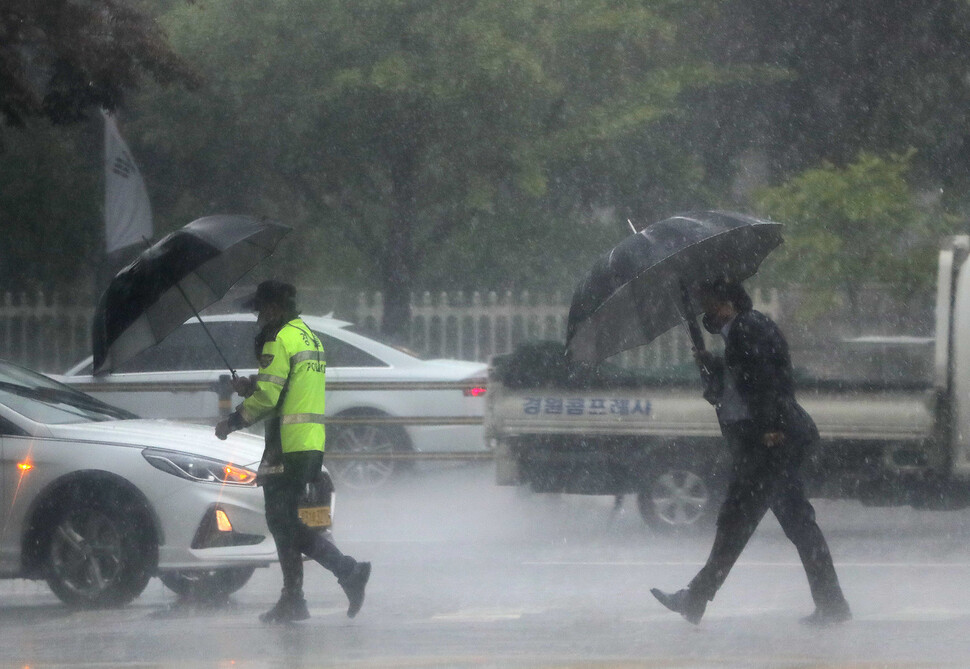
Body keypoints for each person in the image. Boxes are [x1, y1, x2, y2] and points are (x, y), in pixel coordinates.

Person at [650, 278, 851, 626]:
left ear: (726, 302)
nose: (704, 310)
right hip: (771, 442)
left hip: (770, 444)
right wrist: (713, 365)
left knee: (736, 522)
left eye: (707, 300)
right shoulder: (743, 330)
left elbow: (767, 379)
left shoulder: (746, 327)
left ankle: (695, 598)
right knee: (794, 524)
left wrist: (771, 428)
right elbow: (746, 376)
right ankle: (832, 604)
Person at [215, 280, 371, 623]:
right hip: (308, 443)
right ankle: (302, 593)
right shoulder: (306, 335)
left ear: (272, 307)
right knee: (285, 522)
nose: (258, 318)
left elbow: (271, 398)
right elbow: (286, 385)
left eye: (260, 310)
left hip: (286, 445)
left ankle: (341, 574)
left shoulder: (278, 338)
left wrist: (233, 421)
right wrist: (251, 385)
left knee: (282, 522)